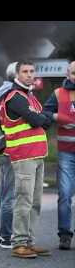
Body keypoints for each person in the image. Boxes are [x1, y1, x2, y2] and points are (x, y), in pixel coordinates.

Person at [0, 60, 52, 259]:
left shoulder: (30, 97)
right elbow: (40, 120)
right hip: (23, 156)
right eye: (25, 72)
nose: (30, 75)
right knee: (24, 200)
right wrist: (41, 118)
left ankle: (29, 241)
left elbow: (45, 119)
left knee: (35, 202)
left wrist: (42, 118)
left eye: (32, 71)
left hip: (37, 155)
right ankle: (19, 242)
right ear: (16, 75)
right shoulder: (15, 97)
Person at [43, 60, 75, 250]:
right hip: (66, 154)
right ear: (67, 74)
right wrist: (59, 118)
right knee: (64, 195)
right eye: (73, 73)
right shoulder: (58, 93)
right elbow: (45, 111)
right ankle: (64, 234)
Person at [0, 62, 17, 249]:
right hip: (12, 147)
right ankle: (6, 236)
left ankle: (1, 233)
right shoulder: (13, 95)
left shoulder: (0, 91)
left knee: (3, 192)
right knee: (9, 194)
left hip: (2, 147)